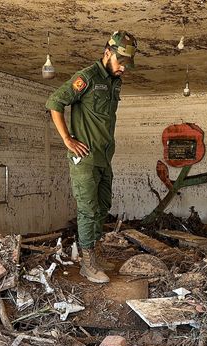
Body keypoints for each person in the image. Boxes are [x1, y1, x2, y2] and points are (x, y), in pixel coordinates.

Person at [45, 31, 138, 283]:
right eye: (121, 63)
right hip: (85, 158)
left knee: (102, 207)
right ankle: (87, 264)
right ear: (108, 53)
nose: (123, 70)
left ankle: (93, 254)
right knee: (87, 210)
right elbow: (55, 102)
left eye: (127, 65)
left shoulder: (114, 81)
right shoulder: (86, 77)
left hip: (104, 157)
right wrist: (67, 140)